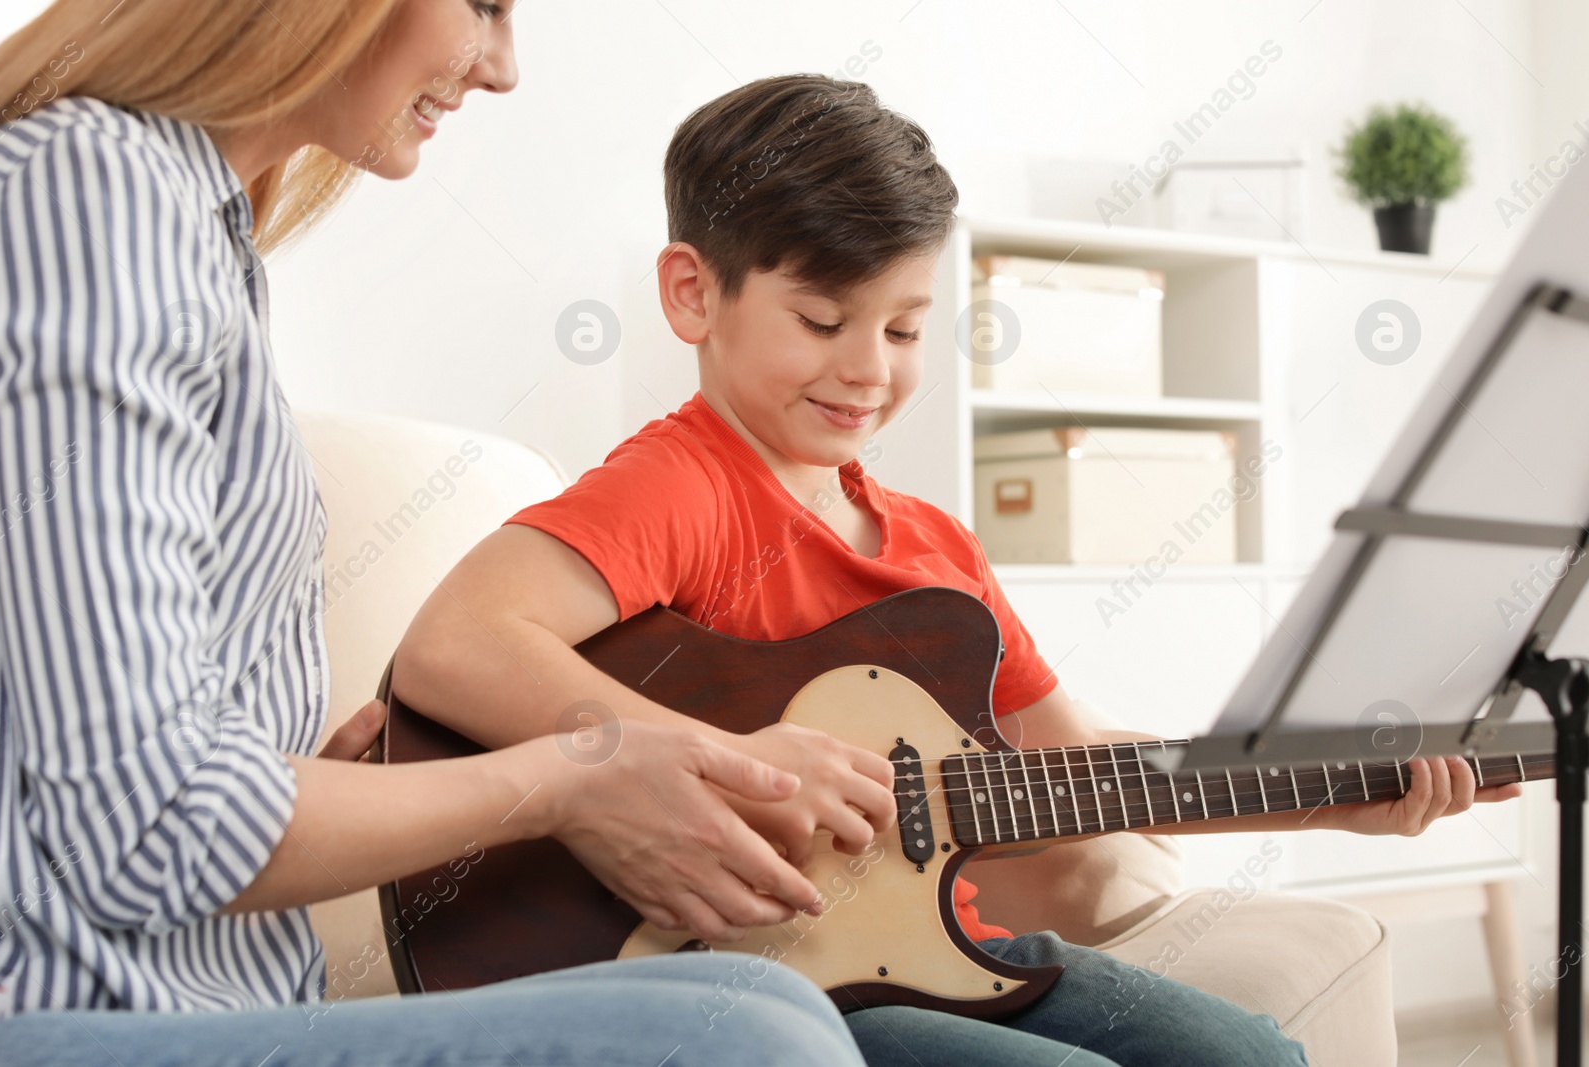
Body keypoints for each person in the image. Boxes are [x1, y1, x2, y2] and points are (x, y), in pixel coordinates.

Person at [393, 73, 1526, 1066]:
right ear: (694, 292)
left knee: (1249, 1050)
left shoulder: (936, 551)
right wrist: (720, 762)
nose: (866, 369)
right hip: (741, 978)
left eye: (901, 328)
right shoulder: (682, 486)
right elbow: (456, 644)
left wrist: (1335, 792)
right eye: (822, 317)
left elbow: (1070, 766)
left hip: (942, 949)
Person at [0, 4, 874, 1065]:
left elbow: (103, 758)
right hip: (58, 1014)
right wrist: (567, 780)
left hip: (210, 990)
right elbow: (146, 828)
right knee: (752, 1045)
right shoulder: (92, 196)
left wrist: (326, 789)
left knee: (763, 1007)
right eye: (485, 5)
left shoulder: (196, 230)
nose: (501, 69)